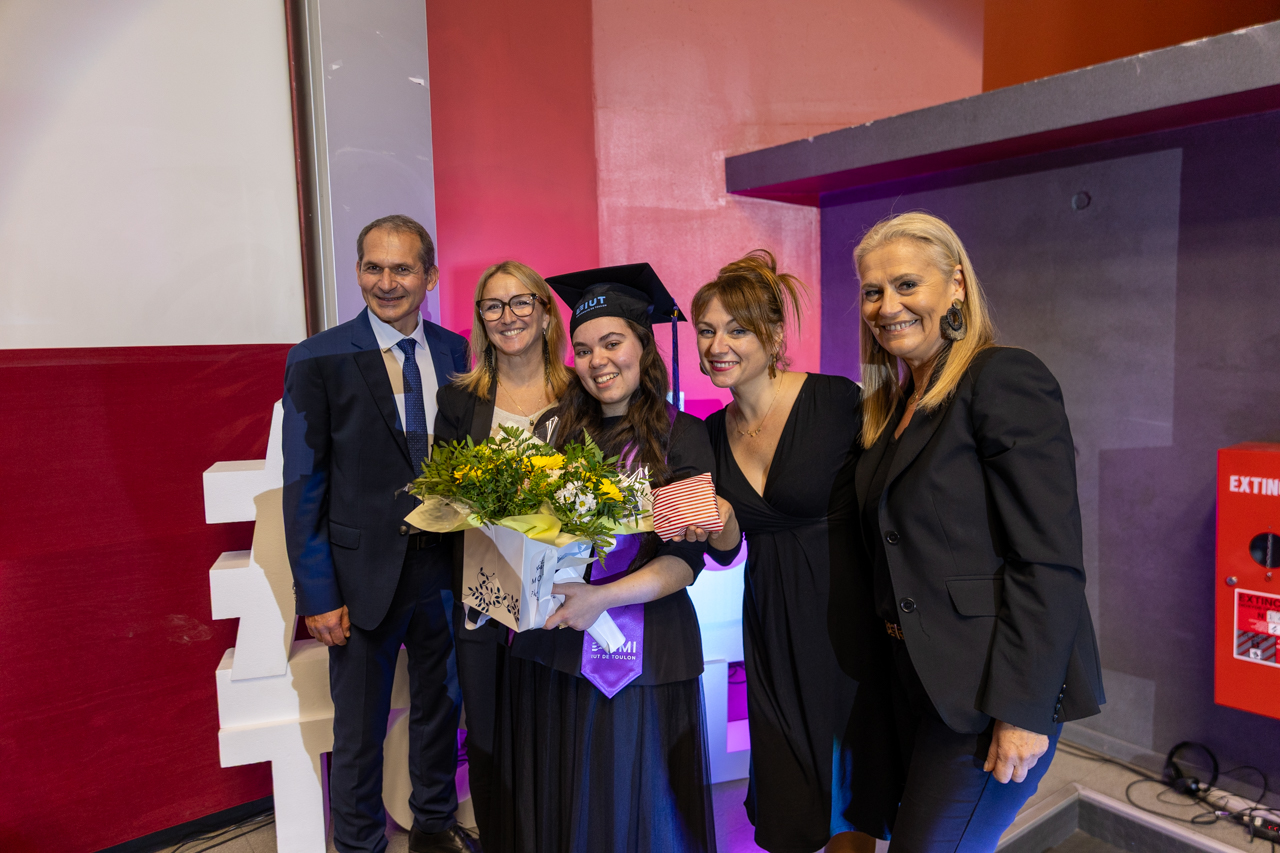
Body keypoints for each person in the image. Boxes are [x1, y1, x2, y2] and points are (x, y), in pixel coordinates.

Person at [849, 212, 1105, 851]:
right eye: (873, 291)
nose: (887, 306)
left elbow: (1048, 561)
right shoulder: (893, 407)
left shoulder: (1002, 377)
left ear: (956, 285)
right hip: (912, 682)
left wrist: (1022, 710)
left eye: (907, 285)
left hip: (986, 692)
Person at [489, 263, 719, 853]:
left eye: (612, 343)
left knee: (634, 811)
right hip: (555, 650)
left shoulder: (682, 436)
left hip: (644, 656)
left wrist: (602, 598)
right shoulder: (552, 430)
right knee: (562, 805)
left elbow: (685, 561)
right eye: (585, 349)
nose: (598, 361)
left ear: (643, 347)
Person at [282, 215, 480, 853]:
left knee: (441, 711)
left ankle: (433, 827)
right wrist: (317, 593)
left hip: (444, 566)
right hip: (360, 575)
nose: (386, 282)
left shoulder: (455, 352)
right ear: (358, 272)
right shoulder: (318, 357)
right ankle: (359, 842)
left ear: (430, 276)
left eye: (402, 269)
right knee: (359, 728)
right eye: (373, 267)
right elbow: (304, 484)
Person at [692, 251, 886, 853]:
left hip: (848, 622)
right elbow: (727, 551)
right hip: (771, 626)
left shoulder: (837, 402)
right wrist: (721, 523)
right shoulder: (709, 434)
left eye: (737, 330)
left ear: (773, 336)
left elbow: (889, 504)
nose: (717, 345)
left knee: (848, 789)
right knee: (788, 791)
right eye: (706, 330)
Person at [433, 260, 574, 843]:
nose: (507, 316)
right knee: (489, 736)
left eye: (521, 302)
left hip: (562, 599)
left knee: (555, 732)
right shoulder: (459, 399)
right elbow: (441, 490)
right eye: (493, 305)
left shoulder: (582, 393)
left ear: (545, 314)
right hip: (481, 597)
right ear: (480, 319)